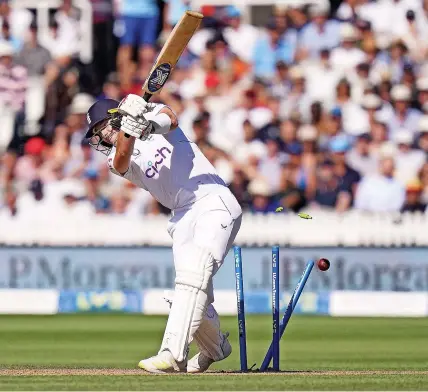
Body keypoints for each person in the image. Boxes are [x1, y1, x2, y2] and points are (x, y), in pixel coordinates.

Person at [84, 94, 242, 373]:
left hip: (213, 199)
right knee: (190, 289)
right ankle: (216, 347)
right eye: (98, 135)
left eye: (102, 129)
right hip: (181, 217)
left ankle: (172, 354)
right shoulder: (114, 156)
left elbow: (171, 118)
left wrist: (143, 124)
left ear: (113, 117)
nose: (102, 138)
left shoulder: (150, 112)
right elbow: (121, 161)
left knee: (193, 277)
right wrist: (128, 132)